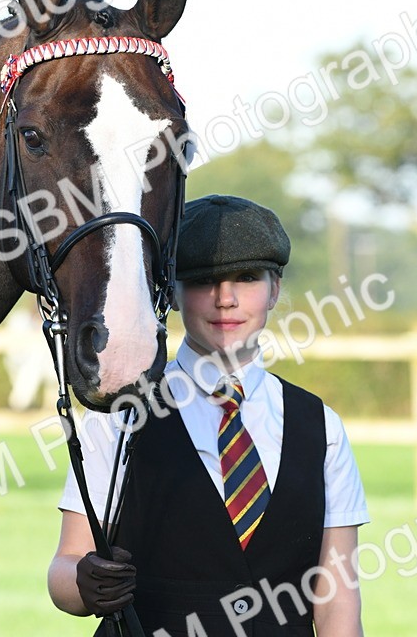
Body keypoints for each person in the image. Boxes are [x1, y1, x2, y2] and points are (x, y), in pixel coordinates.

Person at [47, 195, 369, 637]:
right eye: (203, 281)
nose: (226, 299)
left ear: (275, 289)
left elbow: (337, 599)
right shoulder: (119, 416)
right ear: (172, 294)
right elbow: (65, 569)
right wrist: (84, 581)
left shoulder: (322, 426)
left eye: (248, 277)